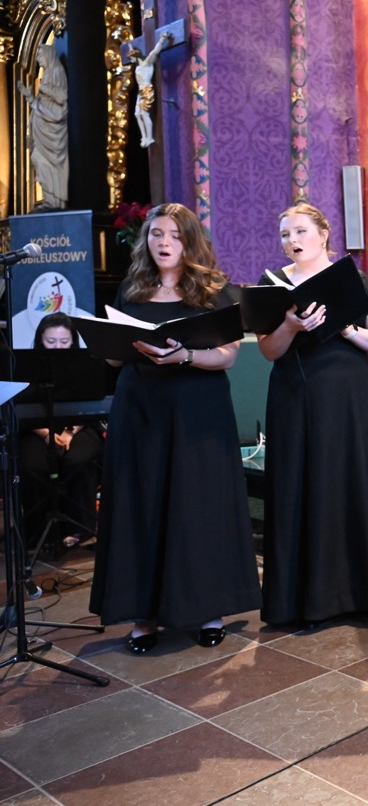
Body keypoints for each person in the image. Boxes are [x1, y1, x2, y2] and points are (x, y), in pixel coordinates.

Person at [89, 203, 260, 653]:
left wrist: (184, 356)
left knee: (197, 505)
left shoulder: (214, 290)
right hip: (140, 407)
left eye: (174, 235)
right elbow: (114, 359)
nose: (164, 243)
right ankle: (143, 614)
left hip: (197, 410)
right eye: (156, 234)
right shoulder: (132, 287)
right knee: (141, 504)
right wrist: (110, 342)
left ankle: (208, 608)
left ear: (189, 241)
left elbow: (227, 356)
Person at [257, 204, 368, 627]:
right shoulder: (273, 285)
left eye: (300, 231)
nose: (292, 240)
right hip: (294, 395)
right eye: (285, 234)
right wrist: (290, 327)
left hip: (348, 397)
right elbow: (268, 350)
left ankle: (363, 592)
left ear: (324, 235)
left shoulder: (353, 279)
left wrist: (345, 328)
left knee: (349, 482)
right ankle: (304, 599)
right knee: (299, 486)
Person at [19, 313, 102, 552]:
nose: (58, 347)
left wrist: (69, 433)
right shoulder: (26, 364)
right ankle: (38, 531)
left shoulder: (86, 363)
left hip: (79, 426)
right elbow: (21, 406)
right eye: (51, 341)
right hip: (36, 428)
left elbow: (92, 403)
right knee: (35, 464)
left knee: (78, 459)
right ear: (40, 340)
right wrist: (46, 434)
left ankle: (80, 527)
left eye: (64, 342)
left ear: (73, 341)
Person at [16, 44, 68, 209]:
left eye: (40, 55)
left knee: (43, 160)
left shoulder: (57, 71)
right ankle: (49, 199)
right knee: (36, 158)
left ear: (48, 55)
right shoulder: (46, 74)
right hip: (43, 125)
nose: (38, 59)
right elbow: (43, 102)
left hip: (53, 128)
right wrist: (30, 97)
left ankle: (55, 200)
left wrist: (45, 88)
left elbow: (62, 97)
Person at [131, 31, 171, 148]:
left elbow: (155, 51)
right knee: (137, 114)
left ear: (136, 56)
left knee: (144, 114)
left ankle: (149, 138)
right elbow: (130, 48)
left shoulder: (147, 63)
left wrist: (162, 40)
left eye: (131, 58)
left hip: (147, 90)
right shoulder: (138, 67)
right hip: (140, 92)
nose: (131, 60)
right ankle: (144, 137)